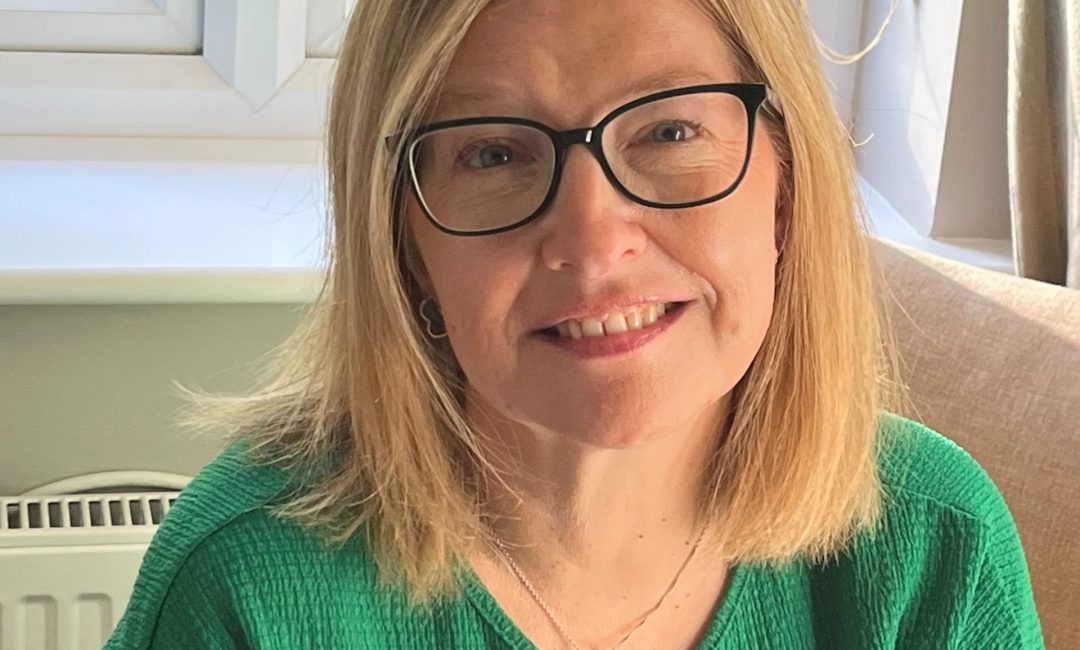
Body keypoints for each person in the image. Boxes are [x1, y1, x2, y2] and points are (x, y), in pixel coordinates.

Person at [105, 0, 1044, 648]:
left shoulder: (933, 543)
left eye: (670, 132)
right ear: (404, 240)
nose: (593, 247)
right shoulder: (246, 583)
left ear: (785, 189)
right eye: (493, 152)